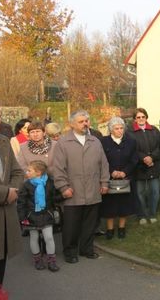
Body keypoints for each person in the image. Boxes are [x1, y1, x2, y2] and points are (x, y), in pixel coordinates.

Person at [51, 110, 109, 264]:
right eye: (81, 121)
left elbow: (104, 164)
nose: (85, 124)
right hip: (73, 191)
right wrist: (63, 187)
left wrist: (104, 182)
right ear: (71, 124)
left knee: (90, 223)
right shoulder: (63, 143)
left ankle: (86, 249)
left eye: (87, 121)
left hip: (93, 190)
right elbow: (58, 168)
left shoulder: (95, 141)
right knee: (71, 225)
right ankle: (70, 251)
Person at [0, 100, 24, 284]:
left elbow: (17, 172)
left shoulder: (4, 141)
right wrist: (5, 193)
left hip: (4, 221)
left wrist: (13, 189)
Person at [17, 160, 61, 272]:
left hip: (46, 214)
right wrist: (22, 217)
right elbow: (21, 202)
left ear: (38, 172)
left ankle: (51, 261)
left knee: (49, 237)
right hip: (31, 216)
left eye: (29, 170)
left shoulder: (50, 183)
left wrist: (63, 196)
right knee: (34, 238)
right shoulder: (26, 185)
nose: (26, 172)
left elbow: (54, 198)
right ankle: (38, 260)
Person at [100, 117, 138, 239]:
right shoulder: (103, 142)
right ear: (111, 130)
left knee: (124, 204)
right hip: (109, 178)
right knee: (109, 205)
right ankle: (110, 229)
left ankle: (122, 227)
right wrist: (112, 172)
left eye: (121, 128)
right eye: (116, 128)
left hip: (125, 178)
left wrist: (124, 172)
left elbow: (134, 159)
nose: (120, 130)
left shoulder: (131, 141)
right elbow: (101, 160)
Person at [128, 108, 160, 225]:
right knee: (140, 193)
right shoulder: (130, 132)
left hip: (154, 165)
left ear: (146, 117)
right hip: (139, 167)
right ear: (134, 119)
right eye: (138, 117)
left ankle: (152, 214)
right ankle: (141, 215)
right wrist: (144, 158)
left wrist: (152, 157)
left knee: (155, 191)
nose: (141, 119)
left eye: (143, 117)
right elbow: (132, 149)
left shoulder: (154, 130)